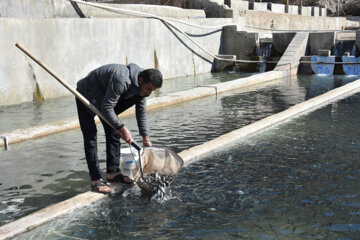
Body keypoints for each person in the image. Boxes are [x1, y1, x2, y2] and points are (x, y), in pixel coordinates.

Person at [76, 63, 163, 193]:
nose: (149, 93)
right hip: (86, 93)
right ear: (140, 80)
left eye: (152, 91)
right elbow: (107, 108)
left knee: (113, 130)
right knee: (91, 136)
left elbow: (141, 112)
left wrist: (145, 138)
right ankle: (96, 180)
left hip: (105, 98)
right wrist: (123, 128)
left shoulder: (142, 89)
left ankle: (113, 173)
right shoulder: (122, 79)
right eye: (148, 89)